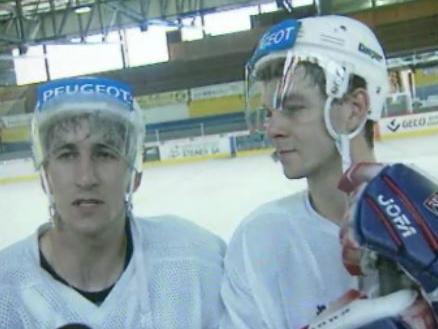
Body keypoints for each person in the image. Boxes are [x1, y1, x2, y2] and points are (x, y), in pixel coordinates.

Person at [0, 77, 225, 328]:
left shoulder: (197, 260)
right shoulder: (5, 289)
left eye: (105, 154)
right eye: (66, 155)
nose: (86, 178)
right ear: (45, 175)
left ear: (134, 173)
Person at [219, 15, 391, 329]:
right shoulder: (258, 239)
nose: (272, 128)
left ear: (355, 109)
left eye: (293, 108)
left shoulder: (428, 216)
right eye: (269, 112)